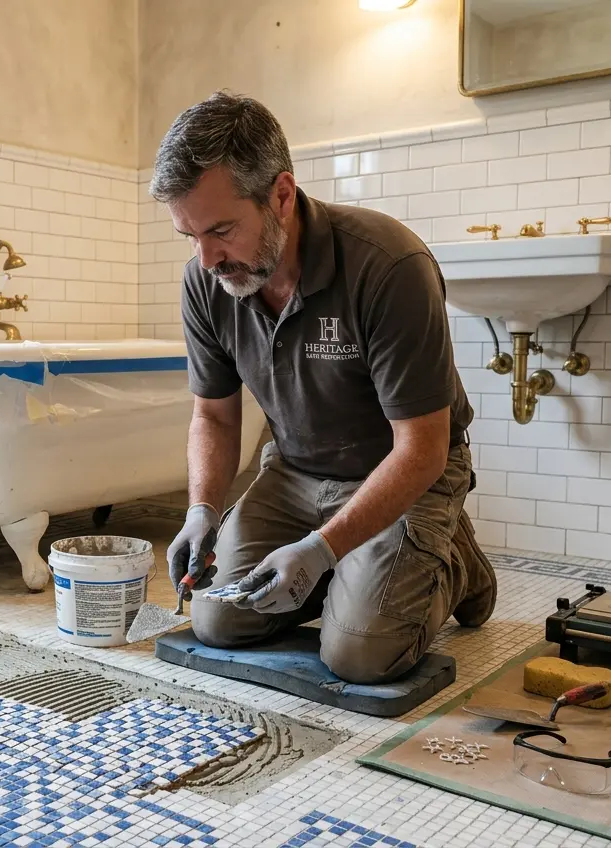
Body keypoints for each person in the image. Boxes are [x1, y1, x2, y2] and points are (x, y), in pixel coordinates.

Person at [148, 90, 496, 685]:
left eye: (221, 230)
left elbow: (422, 448)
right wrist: (202, 510)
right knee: (219, 620)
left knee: (359, 654)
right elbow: (214, 416)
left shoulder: (389, 265)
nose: (206, 259)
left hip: (402, 471)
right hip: (295, 473)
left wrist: (321, 550)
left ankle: (455, 561)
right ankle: (359, 570)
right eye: (190, 235)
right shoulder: (207, 281)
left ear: (281, 196)